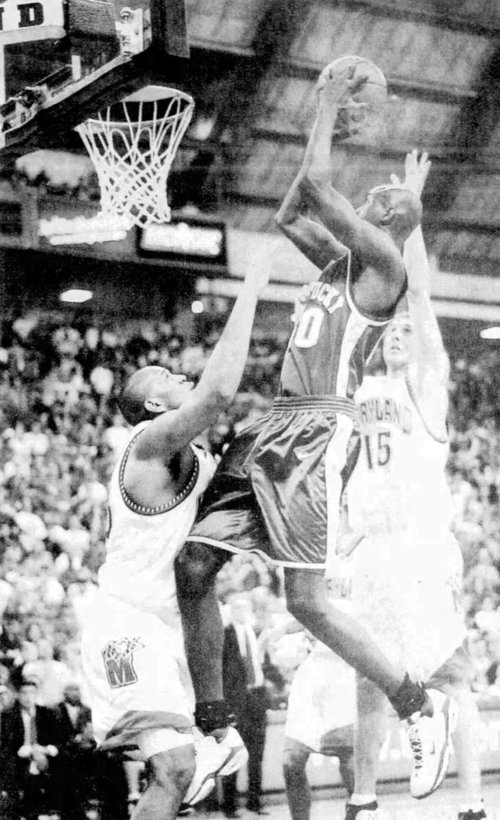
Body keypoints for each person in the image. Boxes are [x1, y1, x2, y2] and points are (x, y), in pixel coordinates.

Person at [176, 65, 456, 801]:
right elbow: (294, 205)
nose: (373, 193)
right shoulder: (338, 265)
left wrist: (328, 108)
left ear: (393, 222)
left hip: (316, 433)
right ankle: (216, 730)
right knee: (194, 566)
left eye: (384, 198)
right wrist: (324, 122)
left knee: (305, 602)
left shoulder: (383, 266)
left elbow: (321, 189)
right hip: (275, 424)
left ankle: (417, 704)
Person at [80, 262, 270, 820]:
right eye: (163, 375)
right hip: (125, 623)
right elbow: (216, 394)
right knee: (174, 769)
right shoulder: (144, 445)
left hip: (168, 631)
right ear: (155, 408)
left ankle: (211, 736)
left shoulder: (199, 461)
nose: (177, 375)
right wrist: (252, 288)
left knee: (179, 772)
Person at [344, 151, 487, 820]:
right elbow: (368, 299)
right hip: (373, 550)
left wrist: (414, 212)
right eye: (393, 328)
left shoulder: (428, 391)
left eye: (410, 331)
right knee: (369, 675)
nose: (403, 332)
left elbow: (419, 295)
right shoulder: (361, 387)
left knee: (452, 675)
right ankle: (363, 797)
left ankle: (472, 801)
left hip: (422, 546)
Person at [283, 588, 356, 820]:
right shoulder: (307, 586)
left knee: (348, 758)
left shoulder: (353, 601)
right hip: (311, 676)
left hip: (342, 673)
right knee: (290, 761)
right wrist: (279, 630)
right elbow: (305, 615)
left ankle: (359, 811)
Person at [221, 592, 269, 817]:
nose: (241, 611)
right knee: (233, 752)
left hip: (257, 698)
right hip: (235, 701)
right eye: (237, 607)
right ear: (230, 610)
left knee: (257, 753)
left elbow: (265, 664)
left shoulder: (258, 632)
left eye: (245, 607)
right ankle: (229, 805)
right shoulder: (225, 635)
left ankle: (255, 801)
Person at [0, 676, 60, 820]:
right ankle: (26, 812)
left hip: (44, 754)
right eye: (24, 693)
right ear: (18, 695)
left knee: (63, 763)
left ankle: (58, 811)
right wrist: (30, 751)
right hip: (20, 757)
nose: (28, 697)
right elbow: (6, 744)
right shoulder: (8, 716)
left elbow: (57, 739)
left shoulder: (47, 713)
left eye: (32, 693)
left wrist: (44, 750)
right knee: (13, 768)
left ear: (37, 694)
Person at [53, 682, 95, 820]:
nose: (74, 693)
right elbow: (54, 732)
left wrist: (84, 738)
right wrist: (71, 740)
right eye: (71, 690)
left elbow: (90, 729)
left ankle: (84, 806)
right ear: (65, 693)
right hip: (63, 748)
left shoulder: (87, 710)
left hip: (83, 750)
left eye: (77, 690)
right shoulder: (55, 710)